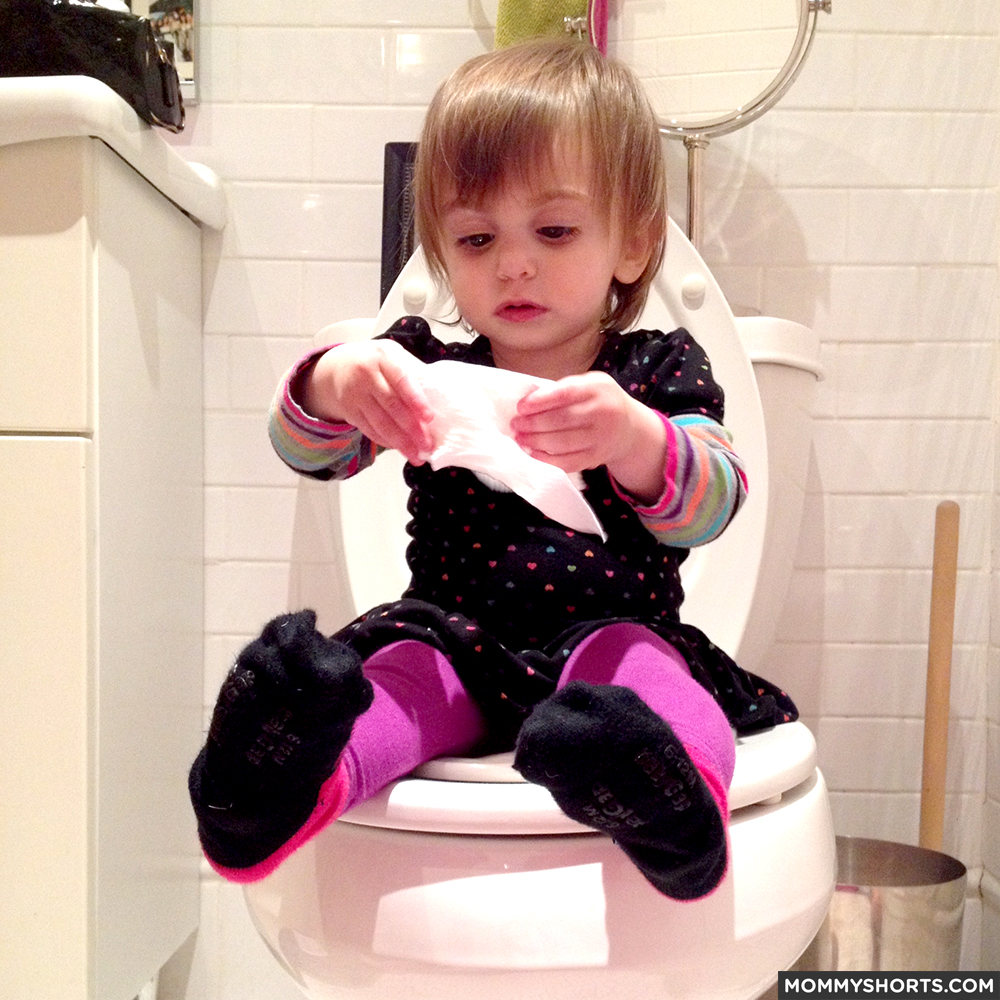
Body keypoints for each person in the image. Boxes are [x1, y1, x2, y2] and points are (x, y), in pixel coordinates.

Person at [188, 36, 797, 901]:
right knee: (391, 688)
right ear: (443, 251)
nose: (513, 262)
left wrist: (634, 438)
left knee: (653, 683)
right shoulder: (425, 366)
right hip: (453, 638)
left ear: (632, 244)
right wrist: (335, 383)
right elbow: (308, 451)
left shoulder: (656, 371)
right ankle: (272, 794)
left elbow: (714, 504)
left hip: (613, 637)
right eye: (476, 237)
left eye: (554, 230)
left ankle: (667, 801)